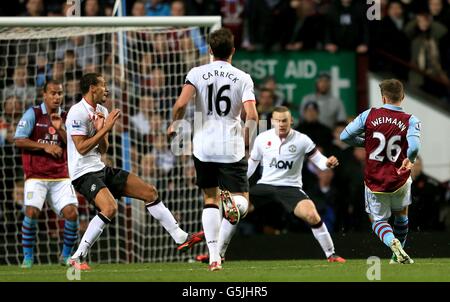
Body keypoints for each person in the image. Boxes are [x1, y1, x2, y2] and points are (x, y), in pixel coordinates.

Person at [66, 73, 203, 270]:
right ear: (92, 88)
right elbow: (80, 148)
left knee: (150, 192)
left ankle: (180, 237)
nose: (107, 90)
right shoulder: (76, 112)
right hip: (82, 173)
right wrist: (106, 128)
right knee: (110, 208)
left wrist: (101, 129)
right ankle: (77, 257)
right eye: (103, 85)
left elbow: (103, 149)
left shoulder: (102, 110)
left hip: (99, 168)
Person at [167, 28, 259, 271]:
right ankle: (229, 211)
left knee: (209, 199)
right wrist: (248, 139)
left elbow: (180, 104)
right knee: (242, 205)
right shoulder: (243, 77)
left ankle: (214, 257)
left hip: (204, 147)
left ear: (209, 50)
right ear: (233, 51)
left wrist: (175, 125)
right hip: (231, 148)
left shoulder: (196, 73)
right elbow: (252, 114)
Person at [246, 107, 345, 263]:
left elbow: (320, 161)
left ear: (291, 121)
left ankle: (331, 254)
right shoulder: (261, 138)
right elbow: (251, 165)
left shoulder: (302, 139)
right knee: (235, 210)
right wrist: (239, 184)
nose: (281, 124)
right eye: (277, 120)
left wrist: (328, 163)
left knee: (312, 215)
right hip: (265, 185)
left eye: (284, 120)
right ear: (272, 121)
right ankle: (217, 254)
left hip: (290, 187)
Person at [340, 79, 421, 264]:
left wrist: (365, 142)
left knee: (378, 221)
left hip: (374, 180)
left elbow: (344, 136)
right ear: (403, 97)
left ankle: (392, 242)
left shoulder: (370, 115)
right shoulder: (411, 120)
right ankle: (397, 255)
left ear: (383, 97)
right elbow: (414, 146)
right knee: (401, 214)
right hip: (399, 177)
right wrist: (411, 159)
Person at [14, 80, 79, 268]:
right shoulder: (33, 114)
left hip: (60, 176)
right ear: (44, 95)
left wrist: (60, 129)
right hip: (36, 175)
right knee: (32, 211)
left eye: (59, 93)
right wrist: (45, 146)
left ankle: (66, 256)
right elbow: (19, 140)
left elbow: (76, 146)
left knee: (72, 213)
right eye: (53, 93)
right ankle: (27, 258)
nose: (57, 97)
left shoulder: (66, 116)